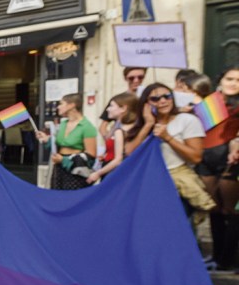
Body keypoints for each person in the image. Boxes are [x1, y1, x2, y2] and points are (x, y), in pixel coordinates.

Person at [134, 82, 215, 221]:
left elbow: (195, 158)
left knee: (177, 226)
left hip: (177, 187)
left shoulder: (187, 120)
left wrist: (168, 138)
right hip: (148, 184)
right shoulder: (143, 124)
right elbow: (130, 153)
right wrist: (148, 124)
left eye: (167, 96)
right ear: (146, 104)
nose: (163, 101)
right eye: (155, 99)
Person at [195, 67, 239, 270]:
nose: (234, 83)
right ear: (220, 80)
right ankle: (215, 256)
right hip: (206, 159)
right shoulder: (207, 103)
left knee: (230, 211)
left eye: (238, 80)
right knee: (214, 209)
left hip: (232, 161)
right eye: (230, 78)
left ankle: (227, 259)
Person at [35, 94, 98, 190]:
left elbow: (91, 155)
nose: (57, 107)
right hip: (59, 168)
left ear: (71, 105)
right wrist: (47, 139)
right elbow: (60, 144)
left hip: (76, 171)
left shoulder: (87, 127)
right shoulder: (63, 124)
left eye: (61, 104)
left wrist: (64, 160)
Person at [87, 92, 142, 184]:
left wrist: (97, 173)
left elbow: (118, 160)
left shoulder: (119, 130)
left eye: (111, 106)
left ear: (123, 108)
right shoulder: (133, 127)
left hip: (115, 174)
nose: (108, 109)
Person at [98, 66, 147, 139]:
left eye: (140, 77)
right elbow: (103, 127)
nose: (136, 80)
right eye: (131, 78)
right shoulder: (118, 100)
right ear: (125, 78)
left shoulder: (149, 98)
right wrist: (110, 141)